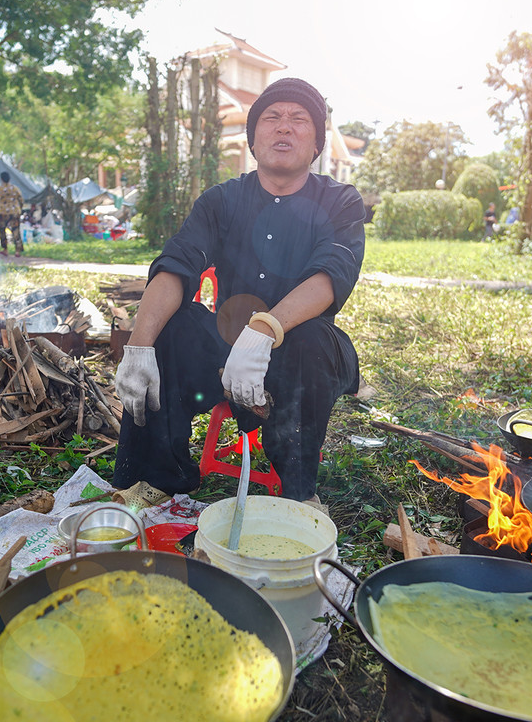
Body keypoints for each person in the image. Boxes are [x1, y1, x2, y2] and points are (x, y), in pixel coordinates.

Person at [111, 77, 365, 507]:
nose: (284, 127)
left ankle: (299, 495)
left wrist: (266, 329)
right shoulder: (222, 200)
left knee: (312, 341)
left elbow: (331, 275)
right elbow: (177, 264)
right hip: (224, 346)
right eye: (272, 118)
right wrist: (139, 344)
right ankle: (156, 475)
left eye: (298, 119)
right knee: (171, 329)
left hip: (302, 353)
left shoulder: (340, 201)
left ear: (317, 143)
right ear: (252, 140)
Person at [0, 171, 25, 256]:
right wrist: (19, 209)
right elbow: (21, 199)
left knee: (2, 231)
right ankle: (17, 251)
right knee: (16, 231)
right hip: (14, 212)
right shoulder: (15, 188)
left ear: (1, 179)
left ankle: (5, 249)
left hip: (2, 213)